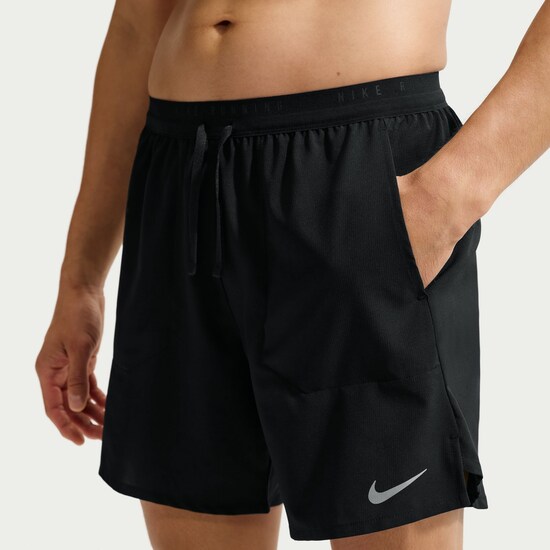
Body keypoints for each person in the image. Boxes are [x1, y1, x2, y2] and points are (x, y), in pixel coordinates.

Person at [35, 0, 550, 548]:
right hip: (179, 179)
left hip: (355, 169)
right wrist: (81, 280)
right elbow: (137, 25)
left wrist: (447, 196)